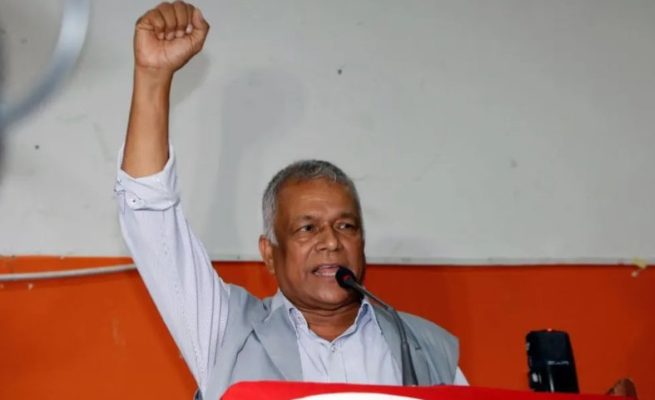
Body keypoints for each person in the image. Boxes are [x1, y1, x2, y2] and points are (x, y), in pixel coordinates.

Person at [115, 2, 466, 399]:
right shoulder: (228, 333)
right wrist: (152, 78)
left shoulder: (426, 348)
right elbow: (152, 218)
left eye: (346, 226)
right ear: (269, 253)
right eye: (307, 228)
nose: (331, 241)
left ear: (362, 242)